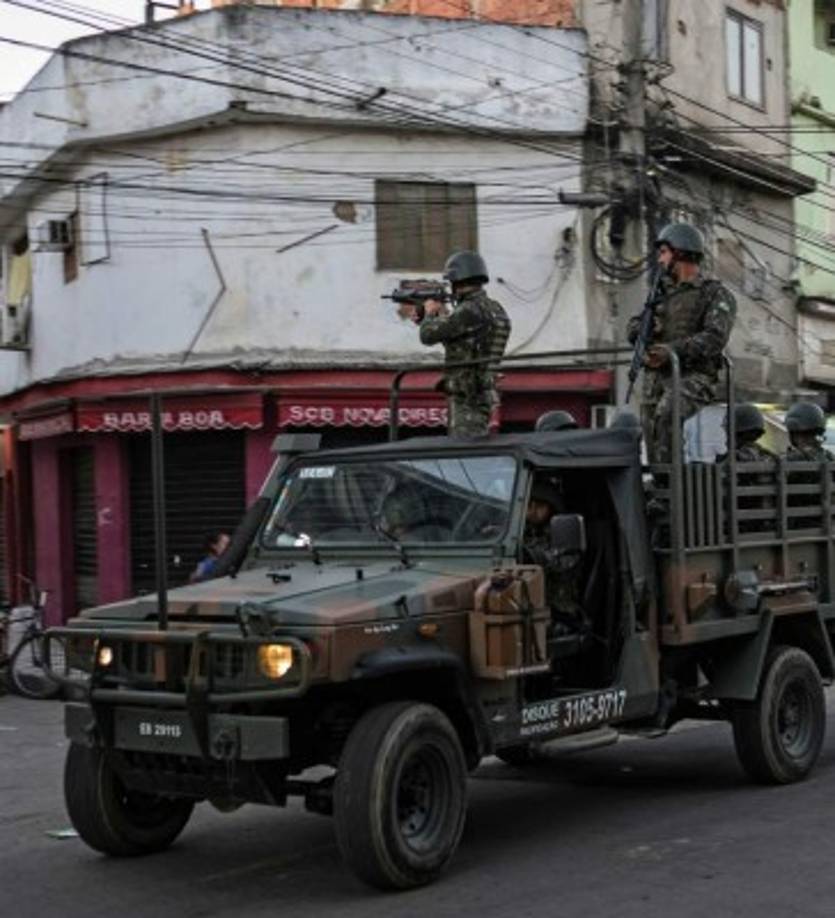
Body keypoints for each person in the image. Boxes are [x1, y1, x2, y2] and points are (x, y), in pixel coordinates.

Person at [627, 222, 736, 464]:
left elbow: (714, 338)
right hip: (658, 377)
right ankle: (661, 484)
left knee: (668, 413)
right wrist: (642, 330)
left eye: (664, 252)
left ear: (681, 253)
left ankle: (672, 487)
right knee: (649, 426)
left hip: (694, 376)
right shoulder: (658, 294)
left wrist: (672, 351)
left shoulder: (714, 293)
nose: (660, 259)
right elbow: (633, 326)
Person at [415, 250, 511, 438]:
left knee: (465, 452)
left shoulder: (469, 310)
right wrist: (439, 316)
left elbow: (426, 336)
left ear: (457, 281)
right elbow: (462, 345)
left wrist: (429, 315)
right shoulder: (494, 308)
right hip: (479, 391)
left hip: (468, 397)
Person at [522, 479, 585, 633]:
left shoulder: (563, 531)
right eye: (529, 505)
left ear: (552, 507)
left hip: (558, 610)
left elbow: (563, 562)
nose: (533, 511)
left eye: (540, 506)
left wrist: (531, 555)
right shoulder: (523, 531)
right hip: (527, 605)